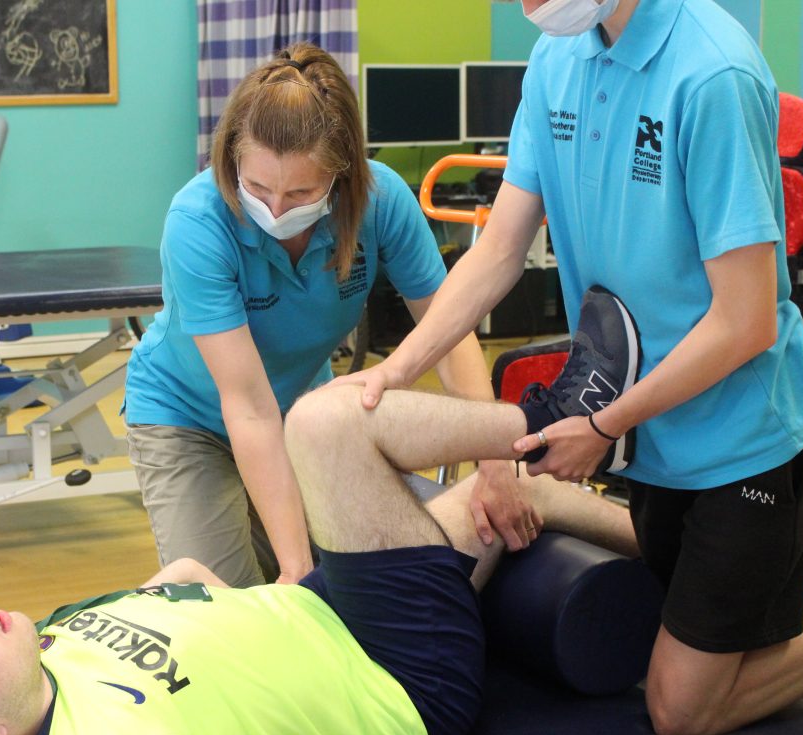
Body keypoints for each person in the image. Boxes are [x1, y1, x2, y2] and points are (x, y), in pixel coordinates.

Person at [0, 293, 642, 735]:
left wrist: (200, 591)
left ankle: (664, 531)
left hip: (327, 608)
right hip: (399, 674)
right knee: (322, 425)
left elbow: (180, 580)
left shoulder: (46, 648)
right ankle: (560, 417)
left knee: (517, 496)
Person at [333, 0, 803, 735]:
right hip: (656, 435)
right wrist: (396, 370)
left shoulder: (713, 73)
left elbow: (746, 321)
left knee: (680, 708)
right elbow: (500, 248)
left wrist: (605, 425)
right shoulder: (558, 60)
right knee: (721, 639)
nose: (529, 5)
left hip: (748, 433)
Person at [122, 42, 536, 590]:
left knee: (362, 569)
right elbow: (247, 408)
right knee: (234, 608)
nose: (276, 210)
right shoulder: (198, 223)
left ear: (341, 176)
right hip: (188, 418)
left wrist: (495, 461)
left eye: (301, 192)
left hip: (299, 410)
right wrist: (297, 568)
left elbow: (448, 333)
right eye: (258, 187)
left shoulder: (380, 200)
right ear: (233, 161)